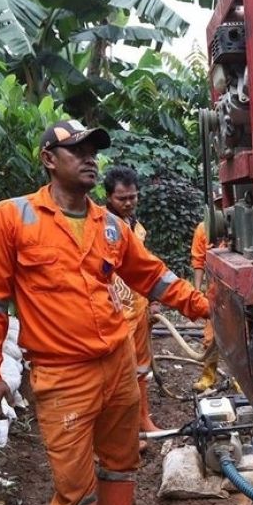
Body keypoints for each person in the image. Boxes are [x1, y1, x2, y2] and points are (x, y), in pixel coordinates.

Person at [0, 120, 209, 505]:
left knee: (123, 457)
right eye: (75, 149)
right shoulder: (13, 218)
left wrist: (203, 304)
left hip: (117, 365)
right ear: (48, 159)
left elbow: (152, 275)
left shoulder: (109, 225)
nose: (89, 157)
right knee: (73, 482)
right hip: (61, 374)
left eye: (93, 149)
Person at [102, 165, 165, 445]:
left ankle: (144, 418)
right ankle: (120, 435)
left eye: (133, 197)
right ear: (108, 198)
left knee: (141, 368)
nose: (128, 203)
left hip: (137, 308)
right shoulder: (101, 227)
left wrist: (152, 301)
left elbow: (145, 267)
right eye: (122, 199)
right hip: (115, 313)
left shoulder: (135, 225)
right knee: (118, 375)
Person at [190, 217, 228, 392]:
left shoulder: (242, 226)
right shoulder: (203, 229)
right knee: (210, 337)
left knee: (242, 339)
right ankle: (208, 377)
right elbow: (198, 261)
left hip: (237, 291)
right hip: (214, 291)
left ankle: (241, 381)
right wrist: (197, 293)